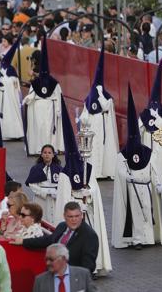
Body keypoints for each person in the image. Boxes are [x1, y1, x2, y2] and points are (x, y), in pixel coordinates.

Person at [112, 85, 162, 250]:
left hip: (147, 187)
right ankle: (138, 239)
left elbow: (152, 169)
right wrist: (127, 177)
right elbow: (119, 170)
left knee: (148, 210)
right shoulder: (123, 155)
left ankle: (149, 238)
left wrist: (158, 184)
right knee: (136, 214)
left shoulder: (147, 152)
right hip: (133, 187)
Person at [54, 97, 111, 275]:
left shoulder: (89, 168)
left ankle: (93, 267)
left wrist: (90, 192)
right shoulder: (65, 174)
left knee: (90, 239)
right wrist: (77, 198)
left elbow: (94, 188)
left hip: (89, 213)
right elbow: (64, 198)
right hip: (76, 213)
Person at [138, 63, 162, 230]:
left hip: (160, 153)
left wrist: (156, 121)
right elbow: (137, 132)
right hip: (148, 151)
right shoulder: (144, 117)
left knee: (161, 178)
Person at [16, 201, 99, 274]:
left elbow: (88, 267)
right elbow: (48, 240)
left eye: (77, 216)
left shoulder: (89, 236)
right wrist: (24, 241)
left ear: (81, 216)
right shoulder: (62, 226)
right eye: (70, 217)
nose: (74, 220)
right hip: (51, 272)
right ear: (64, 216)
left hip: (71, 278)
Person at [79, 44, 119, 180]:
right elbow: (85, 113)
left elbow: (107, 106)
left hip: (102, 123)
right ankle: (95, 172)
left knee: (103, 147)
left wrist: (101, 95)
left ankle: (104, 171)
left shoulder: (104, 96)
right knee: (95, 147)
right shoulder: (91, 96)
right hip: (95, 124)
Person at [22, 37, 64, 155]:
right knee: (49, 129)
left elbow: (30, 97)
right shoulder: (54, 83)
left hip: (38, 106)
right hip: (50, 107)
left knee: (39, 128)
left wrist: (25, 101)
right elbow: (59, 96)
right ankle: (50, 149)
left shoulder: (36, 82)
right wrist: (58, 111)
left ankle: (39, 148)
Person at [0, 40, 24, 140]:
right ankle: (14, 133)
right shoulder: (10, 72)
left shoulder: (8, 73)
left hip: (7, 98)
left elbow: (6, 84)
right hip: (8, 98)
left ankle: (10, 133)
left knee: (9, 114)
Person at [32, 243, 97, 292]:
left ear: (63, 258)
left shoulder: (83, 274)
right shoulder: (40, 281)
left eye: (51, 259)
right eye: (46, 259)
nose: (47, 263)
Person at [26, 144, 62, 223]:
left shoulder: (59, 169)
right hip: (41, 198)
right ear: (41, 154)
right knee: (41, 218)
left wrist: (57, 193)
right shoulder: (36, 168)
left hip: (54, 197)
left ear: (53, 155)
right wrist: (43, 192)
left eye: (49, 153)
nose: (47, 155)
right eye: (45, 152)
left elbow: (63, 184)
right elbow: (31, 184)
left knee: (55, 219)